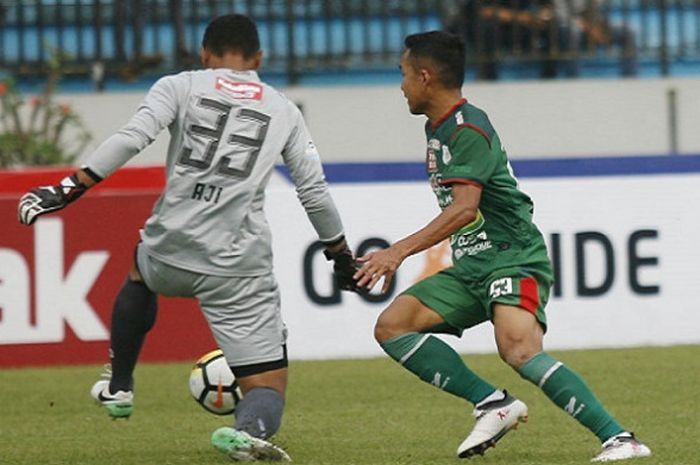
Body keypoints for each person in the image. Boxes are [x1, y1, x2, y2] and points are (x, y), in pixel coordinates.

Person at [18, 14, 359, 462]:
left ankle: (119, 385)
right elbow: (312, 191)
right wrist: (339, 253)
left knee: (140, 268)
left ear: (204, 53)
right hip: (237, 264)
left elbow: (131, 137)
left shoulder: (179, 86)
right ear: (259, 58)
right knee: (268, 385)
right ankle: (249, 429)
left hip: (170, 247)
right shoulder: (283, 109)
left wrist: (70, 187)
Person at [353, 31, 651, 462]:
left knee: (519, 349)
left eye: (403, 74)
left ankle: (620, 439)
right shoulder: (438, 128)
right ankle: (493, 403)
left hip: (511, 256)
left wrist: (396, 252)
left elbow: (463, 209)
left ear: (425, 76)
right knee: (393, 326)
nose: (400, 85)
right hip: (473, 264)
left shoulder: (467, 128)